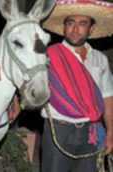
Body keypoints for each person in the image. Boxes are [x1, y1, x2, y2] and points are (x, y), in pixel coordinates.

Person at [41, 0, 113, 171]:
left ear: (91, 29)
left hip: (91, 132)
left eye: (82, 24)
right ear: (64, 26)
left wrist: (110, 132)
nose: (75, 29)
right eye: (70, 23)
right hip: (58, 129)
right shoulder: (47, 56)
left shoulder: (100, 59)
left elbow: (108, 98)